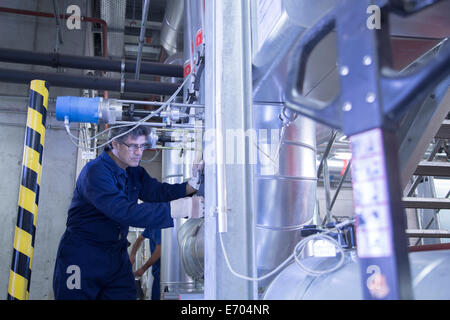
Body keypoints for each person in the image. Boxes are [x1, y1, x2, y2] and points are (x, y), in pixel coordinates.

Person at [52, 125, 204, 300]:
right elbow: (125, 211)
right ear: (114, 144)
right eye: (133, 146)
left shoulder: (134, 171)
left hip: (116, 254)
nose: (139, 152)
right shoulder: (95, 173)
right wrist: (180, 208)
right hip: (84, 254)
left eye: (142, 146)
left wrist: (190, 186)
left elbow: (157, 192)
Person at [129, 228, 161, 300]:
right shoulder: (151, 227)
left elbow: (159, 250)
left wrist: (143, 269)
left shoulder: (160, 228)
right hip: (156, 274)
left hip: (164, 275)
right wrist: (132, 255)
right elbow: (139, 239)